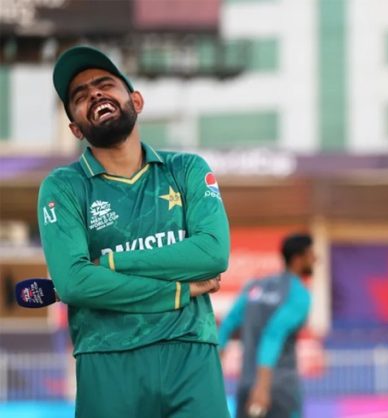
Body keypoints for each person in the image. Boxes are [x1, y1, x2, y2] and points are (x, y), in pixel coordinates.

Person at [38, 45, 231, 418]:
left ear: (136, 101)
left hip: (190, 353)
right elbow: (75, 282)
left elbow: (211, 253)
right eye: (80, 96)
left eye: (105, 84)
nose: (94, 93)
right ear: (76, 128)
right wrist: (176, 291)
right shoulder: (62, 186)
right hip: (107, 359)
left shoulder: (187, 169)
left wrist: (108, 262)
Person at [218, 233, 314, 418]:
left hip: (246, 385)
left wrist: (211, 375)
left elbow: (227, 325)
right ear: (298, 258)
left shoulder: (255, 287)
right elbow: (273, 334)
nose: (315, 259)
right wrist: (262, 387)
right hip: (278, 390)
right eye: (311, 254)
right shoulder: (299, 294)